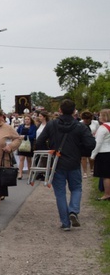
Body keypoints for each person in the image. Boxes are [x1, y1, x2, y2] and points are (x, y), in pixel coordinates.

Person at [35, 99, 96, 231]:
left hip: (56, 163)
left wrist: (48, 154)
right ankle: (73, 210)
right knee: (76, 189)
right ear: (74, 111)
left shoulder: (51, 125)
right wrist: (81, 152)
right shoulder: (80, 126)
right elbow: (91, 144)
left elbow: (39, 142)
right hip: (74, 162)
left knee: (60, 193)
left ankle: (65, 223)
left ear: (60, 110)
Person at [91, 109, 110, 200]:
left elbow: (98, 143)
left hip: (103, 152)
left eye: (101, 115)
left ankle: (107, 194)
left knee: (106, 175)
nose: (99, 117)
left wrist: (93, 155)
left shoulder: (103, 128)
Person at [16, 113, 37, 180]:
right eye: (25, 119)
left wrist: (25, 136)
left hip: (29, 144)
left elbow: (33, 136)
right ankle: (20, 173)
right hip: (21, 144)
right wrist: (19, 136)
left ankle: (29, 173)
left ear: (30, 120)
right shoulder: (21, 126)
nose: (27, 120)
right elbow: (17, 133)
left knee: (29, 159)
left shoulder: (33, 127)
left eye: (28, 119)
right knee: (21, 159)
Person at [81, 111, 100, 178]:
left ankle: (91, 169)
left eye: (87, 119)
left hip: (92, 141)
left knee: (91, 157)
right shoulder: (80, 123)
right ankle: (85, 172)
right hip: (83, 142)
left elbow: (98, 131)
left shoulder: (96, 123)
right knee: (83, 157)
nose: (86, 120)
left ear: (90, 118)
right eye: (84, 119)